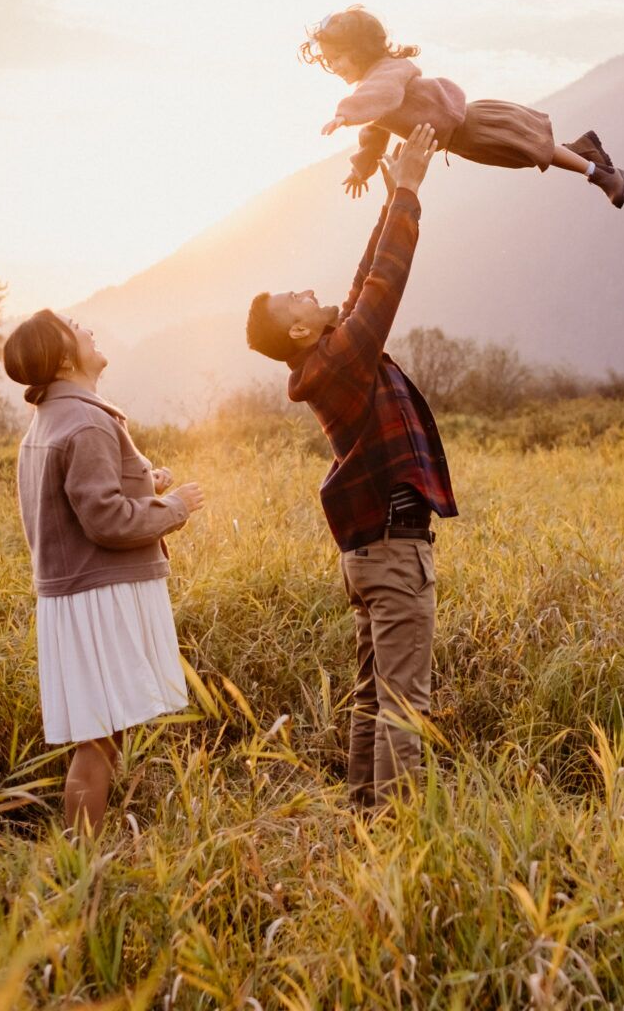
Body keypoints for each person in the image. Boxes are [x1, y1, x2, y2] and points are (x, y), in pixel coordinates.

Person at [244, 124, 457, 808]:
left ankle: (364, 822)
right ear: (302, 331)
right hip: (394, 554)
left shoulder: (325, 356)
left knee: (374, 698)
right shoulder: (337, 361)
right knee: (402, 704)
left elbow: (365, 280)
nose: (311, 291)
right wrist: (412, 195)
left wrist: (393, 194)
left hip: (373, 553)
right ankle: (398, 840)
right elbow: (384, 288)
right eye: (297, 299)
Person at [3, 309, 207, 833]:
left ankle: (81, 858)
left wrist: (146, 481)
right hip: (100, 597)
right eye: (78, 326)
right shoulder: (88, 420)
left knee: (102, 734)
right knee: (99, 738)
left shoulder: (57, 418)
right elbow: (105, 519)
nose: (89, 326)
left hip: (78, 596)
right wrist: (175, 506)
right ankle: (79, 863)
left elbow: (81, 500)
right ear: (68, 356)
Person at [300, 5, 624, 208]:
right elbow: (375, 131)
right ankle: (584, 150)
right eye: (329, 62)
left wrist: (345, 113)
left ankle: (604, 176)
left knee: (538, 150)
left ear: (359, 49)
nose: (335, 67)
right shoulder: (373, 87)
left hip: (474, 124)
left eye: (337, 58)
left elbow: (380, 95)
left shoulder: (388, 71)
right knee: (530, 155)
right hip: (463, 143)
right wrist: (362, 167)